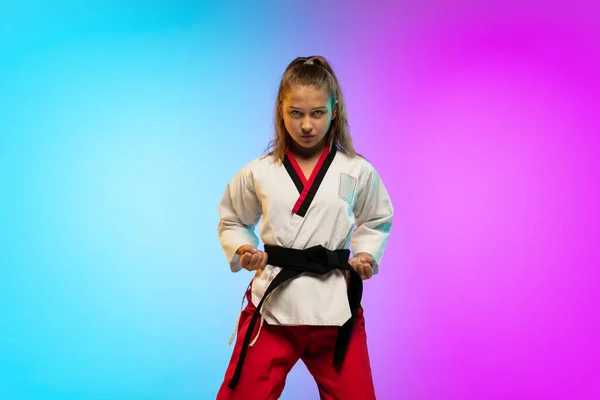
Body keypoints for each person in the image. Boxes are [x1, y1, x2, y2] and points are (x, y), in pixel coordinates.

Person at [215, 55, 394, 400]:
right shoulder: (260, 171)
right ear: (281, 111)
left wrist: (366, 254)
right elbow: (232, 218)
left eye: (317, 113)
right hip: (272, 309)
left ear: (335, 110)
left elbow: (376, 218)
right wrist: (244, 249)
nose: (307, 125)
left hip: (335, 308)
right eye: (296, 113)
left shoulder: (355, 170)